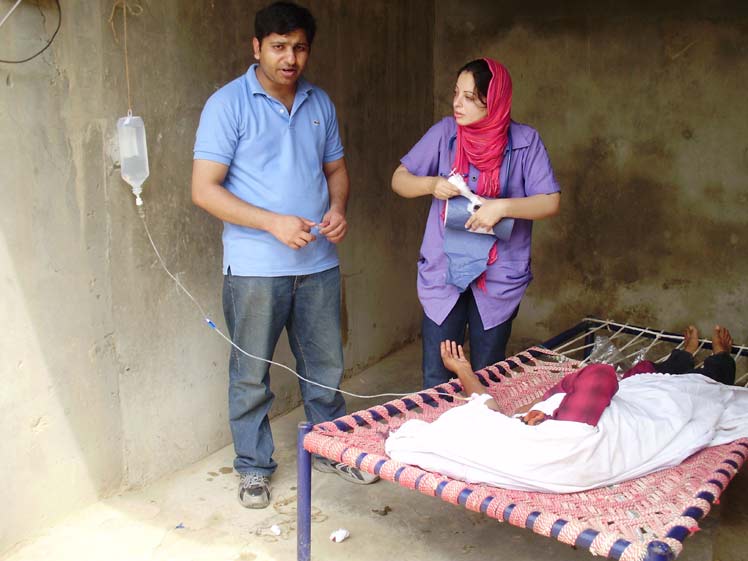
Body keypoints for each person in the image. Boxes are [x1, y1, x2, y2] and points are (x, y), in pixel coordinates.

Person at [192, 1, 376, 510]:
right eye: (278, 47)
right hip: (255, 269)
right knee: (251, 374)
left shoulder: (319, 102)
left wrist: (337, 208)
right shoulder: (227, 105)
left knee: (325, 367)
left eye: (299, 47)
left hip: (318, 263)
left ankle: (330, 447)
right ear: (256, 48)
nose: (290, 58)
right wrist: (273, 222)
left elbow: (336, 171)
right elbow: (204, 190)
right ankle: (253, 468)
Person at [385, 325, 747, 493]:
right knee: (698, 386)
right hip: (646, 415)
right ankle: (716, 357)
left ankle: (685, 353)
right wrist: (551, 400)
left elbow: (487, 408)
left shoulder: (497, 445)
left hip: (611, 413)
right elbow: (600, 375)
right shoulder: (566, 435)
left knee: (646, 376)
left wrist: (464, 371)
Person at [391, 58, 561, 390]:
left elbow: (550, 201)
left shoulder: (525, 141)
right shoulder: (445, 133)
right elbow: (399, 179)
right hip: (445, 271)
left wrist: (502, 207)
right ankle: (439, 425)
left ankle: (481, 422)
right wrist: (430, 184)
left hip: (497, 276)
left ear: (493, 100)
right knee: (437, 377)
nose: (457, 103)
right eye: (456, 93)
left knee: (488, 375)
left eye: (469, 97)